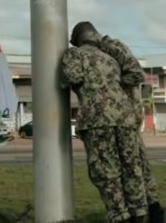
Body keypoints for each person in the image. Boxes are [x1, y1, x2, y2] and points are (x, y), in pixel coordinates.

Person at [62, 22, 147, 223]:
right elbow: (135, 75)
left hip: (98, 120)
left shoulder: (75, 54)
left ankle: (119, 216)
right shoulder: (111, 58)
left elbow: (72, 77)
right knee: (131, 169)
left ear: (77, 40)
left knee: (106, 172)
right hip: (125, 119)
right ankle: (140, 213)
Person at [96, 28, 166, 223]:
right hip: (126, 117)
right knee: (137, 170)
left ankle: (151, 214)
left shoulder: (111, 46)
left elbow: (136, 74)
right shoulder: (107, 50)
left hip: (128, 117)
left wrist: (111, 85)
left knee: (135, 170)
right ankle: (150, 212)